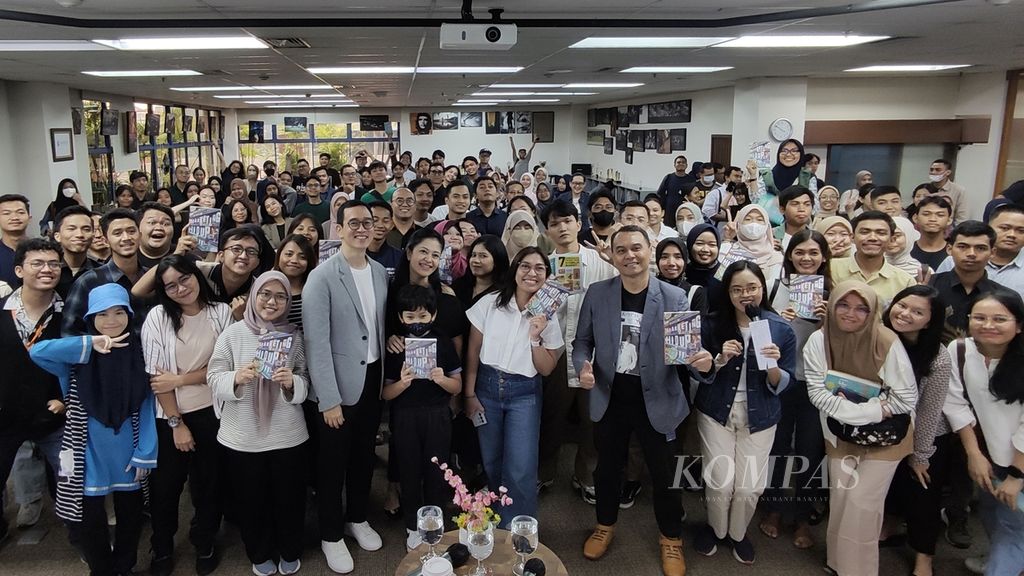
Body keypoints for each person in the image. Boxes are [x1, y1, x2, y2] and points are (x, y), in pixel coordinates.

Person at [573, 225, 712, 576]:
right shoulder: (597, 293)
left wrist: (701, 363)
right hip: (610, 396)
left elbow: (687, 356)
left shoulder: (673, 297)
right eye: (621, 250)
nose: (630, 255)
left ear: (650, 250)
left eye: (636, 248)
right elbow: (581, 344)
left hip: (660, 399)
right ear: (613, 255)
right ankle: (604, 525)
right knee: (607, 470)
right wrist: (582, 367)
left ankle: (671, 539)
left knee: (665, 475)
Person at [31, 283, 157, 576]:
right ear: (90, 318)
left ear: (129, 314)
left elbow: (148, 407)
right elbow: (38, 352)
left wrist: (145, 453)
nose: (111, 320)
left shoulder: (139, 354)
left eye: (118, 312)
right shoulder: (78, 357)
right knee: (87, 518)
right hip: (84, 452)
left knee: (132, 516)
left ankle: (124, 566)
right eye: (101, 314)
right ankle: (100, 569)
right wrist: (88, 344)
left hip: (128, 450)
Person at [804, 281, 918, 576]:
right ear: (831, 306)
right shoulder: (819, 339)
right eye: (843, 305)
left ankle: (860, 571)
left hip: (886, 438)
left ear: (873, 312)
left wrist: (862, 413)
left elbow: (906, 397)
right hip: (840, 435)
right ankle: (839, 563)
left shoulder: (886, 341)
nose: (850, 314)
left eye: (861, 308)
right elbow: (817, 393)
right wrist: (869, 410)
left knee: (862, 505)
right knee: (841, 499)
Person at [303, 200, 390, 574]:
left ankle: (356, 517)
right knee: (331, 465)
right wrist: (328, 400)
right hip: (336, 388)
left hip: (372, 379)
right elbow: (315, 344)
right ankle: (331, 534)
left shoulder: (378, 272)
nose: (361, 228)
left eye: (367, 223)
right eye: (352, 222)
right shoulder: (322, 276)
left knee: (362, 457)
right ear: (338, 229)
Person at [695, 261, 796, 565]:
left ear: (762, 289)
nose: (745, 295)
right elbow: (700, 373)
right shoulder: (711, 324)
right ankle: (717, 529)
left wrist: (773, 365)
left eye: (751, 287)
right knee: (720, 481)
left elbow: (782, 383)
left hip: (761, 415)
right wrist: (719, 358)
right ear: (727, 293)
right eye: (737, 289)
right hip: (716, 410)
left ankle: (738, 534)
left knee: (749, 486)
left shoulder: (779, 328)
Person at [207, 271, 309, 576]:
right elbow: (213, 376)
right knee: (251, 501)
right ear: (253, 296)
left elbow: (306, 378)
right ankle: (260, 551)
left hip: (287, 433)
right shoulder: (232, 334)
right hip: (242, 436)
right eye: (265, 294)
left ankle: (290, 548)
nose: (272, 302)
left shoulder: (293, 335)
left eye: (280, 296)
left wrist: (292, 383)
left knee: (290, 498)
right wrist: (236, 378)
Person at [143, 256, 233, 576]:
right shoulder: (157, 318)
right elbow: (157, 379)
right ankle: (163, 546)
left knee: (210, 484)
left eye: (185, 278)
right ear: (164, 291)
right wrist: (176, 423)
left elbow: (226, 366)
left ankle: (204, 539)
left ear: (196, 275)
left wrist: (181, 378)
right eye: (171, 285)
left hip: (214, 413)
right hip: (171, 416)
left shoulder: (221, 312)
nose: (181, 288)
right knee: (165, 488)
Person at [464, 246, 563, 526]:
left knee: (521, 466)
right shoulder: (491, 303)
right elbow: (473, 350)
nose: (532, 273)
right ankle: (497, 516)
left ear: (547, 276)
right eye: (525, 266)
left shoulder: (549, 318)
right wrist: (469, 393)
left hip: (524, 393)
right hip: (486, 387)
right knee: (492, 461)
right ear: (515, 269)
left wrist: (535, 336)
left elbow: (546, 368)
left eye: (540, 268)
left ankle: (519, 527)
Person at [537, 201, 618, 502]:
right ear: (547, 230)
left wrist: (614, 260)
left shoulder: (599, 262)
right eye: (554, 223)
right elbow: (534, 311)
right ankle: (544, 473)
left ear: (579, 223)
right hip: (555, 353)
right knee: (551, 417)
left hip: (594, 355)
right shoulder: (543, 265)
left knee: (592, 419)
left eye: (567, 221)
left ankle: (586, 475)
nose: (562, 228)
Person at [759, 229, 832, 549]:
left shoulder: (834, 294)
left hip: (817, 383)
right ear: (789, 256)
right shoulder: (776, 288)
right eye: (800, 252)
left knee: (810, 450)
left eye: (813, 253)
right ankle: (773, 508)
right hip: (783, 380)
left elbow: (847, 345)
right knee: (777, 447)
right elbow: (760, 338)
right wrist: (779, 323)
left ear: (824, 257)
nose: (806, 258)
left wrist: (828, 323)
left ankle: (802, 515)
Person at [944, 290, 1024, 576]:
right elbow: (955, 402)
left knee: (1012, 530)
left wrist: (1017, 476)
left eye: (999, 319)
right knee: (991, 516)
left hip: (1019, 464)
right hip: (990, 458)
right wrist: (973, 453)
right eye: (980, 317)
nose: (988, 325)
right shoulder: (960, 350)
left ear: (1019, 325)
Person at [876, 286, 950, 576]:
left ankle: (924, 558)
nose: (905, 314)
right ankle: (890, 526)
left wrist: (920, 455)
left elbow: (931, 412)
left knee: (923, 495)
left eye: (917, 312)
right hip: (886, 427)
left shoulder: (938, 357)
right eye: (902, 305)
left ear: (930, 321)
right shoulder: (880, 337)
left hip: (927, 434)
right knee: (890, 487)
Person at [382, 284, 462, 550]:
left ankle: (434, 523)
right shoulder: (396, 347)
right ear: (401, 317)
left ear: (433, 315)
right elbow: (386, 393)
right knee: (409, 470)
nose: (417, 322)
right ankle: (412, 526)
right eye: (410, 317)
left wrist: (442, 381)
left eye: (423, 316)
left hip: (438, 414)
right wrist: (403, 384)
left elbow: (457, 385)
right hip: (405, 415)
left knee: (437, 470)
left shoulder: (443, 342)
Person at [0, 238, 66, 544]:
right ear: (19, 270)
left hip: (54, 416)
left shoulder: (69, 313)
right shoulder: (2, 311)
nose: (47, 269)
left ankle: (82, 538)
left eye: (53, 264)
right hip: (5, 415)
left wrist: (66, 399)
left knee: (70, 478)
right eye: (37, 263)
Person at [62, 209, 148, 336]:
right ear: (106, 240)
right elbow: (69, 332)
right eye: (117, 233)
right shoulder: (89, 281)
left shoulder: (151, 277)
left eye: (131, 231)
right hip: (107, 353)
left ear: (140, 235)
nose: (126, 238)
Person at [928, 220, 998, 344]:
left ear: (992, 253)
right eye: (962, 247)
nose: (971, 254)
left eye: (980, 248)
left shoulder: (1001, 296)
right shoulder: (930, 286)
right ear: (949, 249)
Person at [830, 211, 916, 310]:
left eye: (881, 233)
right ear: (852, 237)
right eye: (865, 232)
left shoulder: (905, 281)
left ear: (891, 239)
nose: (872, 238)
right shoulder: (831, 268)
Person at [752, 139, 817, 226]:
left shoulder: (808, 177)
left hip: (798, 227)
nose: (789, 154)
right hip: (768, 226)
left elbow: (815, 207)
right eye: (784, 150)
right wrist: (752, 176)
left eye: (794, 151)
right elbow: (756, 202)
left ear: (801, 154)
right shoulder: (767, 175)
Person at [725, 205, 784, 284]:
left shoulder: (776, 258)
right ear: (739, 224)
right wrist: (727, 240)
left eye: (759, 219)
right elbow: (721, 283)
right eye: (748, 219)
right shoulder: (730, 252)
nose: (754, 224)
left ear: (767, 225)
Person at [52, 206, 97, 299]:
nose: (79, 235)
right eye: (71, 229)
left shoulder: (102, 273)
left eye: (86, 229)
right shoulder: (47, 272)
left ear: (93, 235)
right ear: (57, 236)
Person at [452, 235, 509, 309]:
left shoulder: (505, 292)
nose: (475, 260)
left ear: (497, 260)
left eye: (483, 256)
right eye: (473, 255)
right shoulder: (459, 285)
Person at [655, 237, 707, 315]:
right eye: (664, 257)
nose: (671, 263)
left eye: (678, 257)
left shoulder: (695, 293)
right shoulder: (648, 288)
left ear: (685, 260)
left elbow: (700, 325)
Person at [274, 234, 314, 331]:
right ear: (279, 255)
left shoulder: (315, 289)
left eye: (302, 257)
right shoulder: (266, 286)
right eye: (289, 254)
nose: (294, 260)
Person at [911, 196, 953, 272]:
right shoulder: (906, 249)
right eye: (926, 214)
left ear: (949, 220)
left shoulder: (953, 252)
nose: (932, 219)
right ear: (915, 218)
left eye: (940, 215)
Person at [367, 201, 404, 281]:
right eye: (375, 220)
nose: (380, 225)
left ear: (392, 224)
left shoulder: (399, 257)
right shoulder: (355, 256)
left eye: (385, 221)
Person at [0, 194, 31, 287]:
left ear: (29, 217)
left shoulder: (42, 251)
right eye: (6, 213)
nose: (14, 217)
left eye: (20, 212)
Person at [658, 156, 696, 229]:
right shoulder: (669, 177)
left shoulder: (691, 179)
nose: (681, 164)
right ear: (674, 165)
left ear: (687, 165)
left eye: (683, 162)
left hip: (685, 210)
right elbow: (660, 193)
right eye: (678, 162)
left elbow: (694, 195)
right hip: (669, 210)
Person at [773, 185, 815, 251]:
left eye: (807, 204)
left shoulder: (816, 238)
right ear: (782, 209)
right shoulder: (771, 236)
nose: (802, 209)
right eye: (795, 204)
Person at [928, 159, 969, 225]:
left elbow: (962, 217)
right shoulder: (925, 188)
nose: (933, 172)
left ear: (948, 172)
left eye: (938, 170)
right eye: (931, 169)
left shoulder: (958, 190)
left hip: (948, 229)